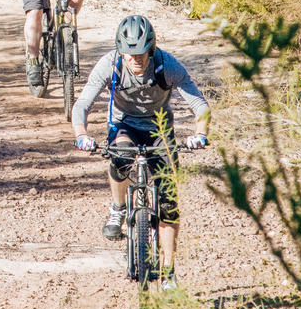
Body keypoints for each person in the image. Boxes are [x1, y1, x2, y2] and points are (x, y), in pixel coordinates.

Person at [72, 14, 210, 289]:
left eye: (141, 53)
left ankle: (169, 271)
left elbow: (201, 106)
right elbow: (82, 104)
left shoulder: (166, 65)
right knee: (120, 156)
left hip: (160, 128)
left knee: (169, 204)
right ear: (119, 50)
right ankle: (118, 208)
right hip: (124, 125)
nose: (135, 59)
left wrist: (200, 135)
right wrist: (82, 135)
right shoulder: (110, 64)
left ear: (151, 48)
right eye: (128, 53)